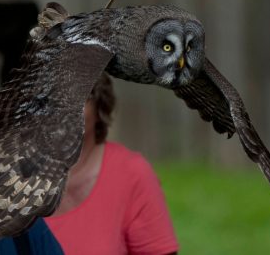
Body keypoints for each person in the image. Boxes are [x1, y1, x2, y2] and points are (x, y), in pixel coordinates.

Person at [42, 73, 179, 254]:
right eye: (51, 98)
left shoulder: (131, 173)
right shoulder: (11, 174)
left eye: (78, 96)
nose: (64, 108)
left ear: (100, 106)